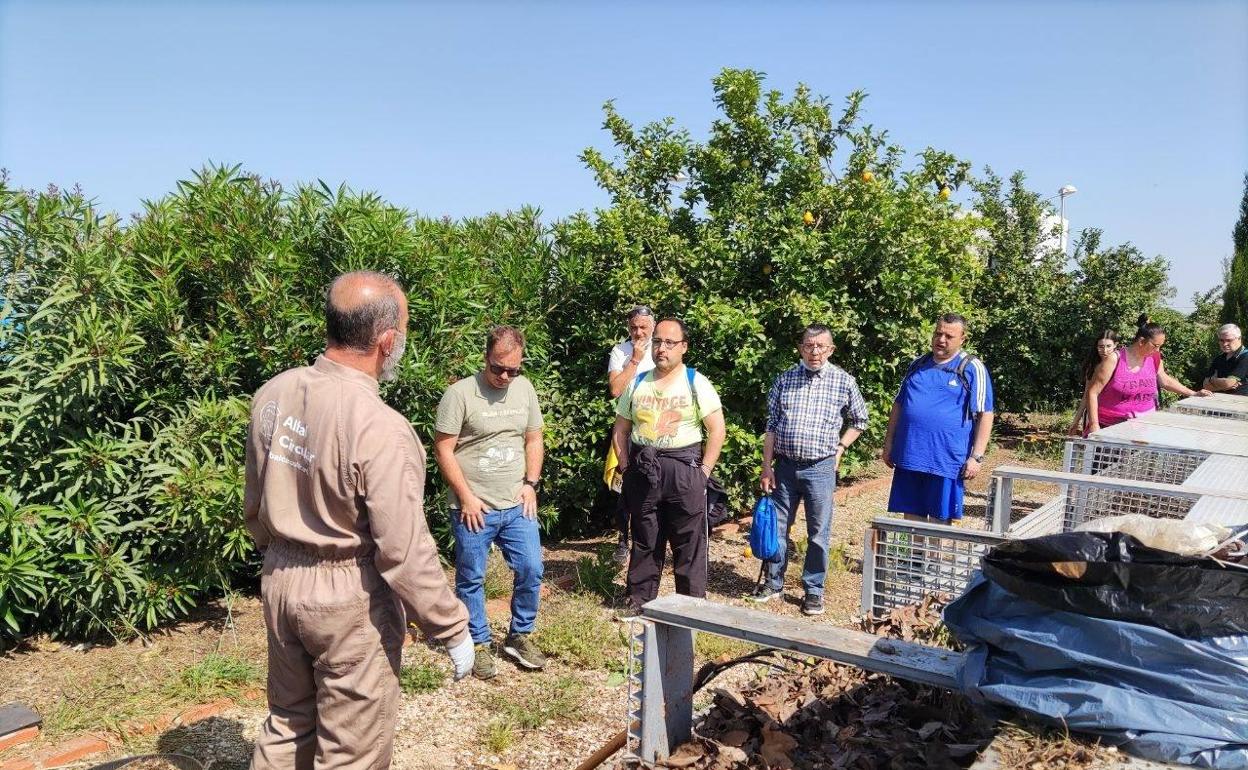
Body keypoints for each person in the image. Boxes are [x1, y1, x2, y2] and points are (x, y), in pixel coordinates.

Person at [244, 271, 472, 770]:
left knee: (287, 723)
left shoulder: (273, 394)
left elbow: (255, 502)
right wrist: (452, 628)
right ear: (386, 341)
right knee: (352, 749)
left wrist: (284, 553)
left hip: (280, 578)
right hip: (348, 597)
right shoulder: (381, 427)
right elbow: (404, 551)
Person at [433, 325, 546, 680]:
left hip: (516, 504)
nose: (504, 376)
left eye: (513, 370)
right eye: (498, 368)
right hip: (473, 507)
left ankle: (519, 635)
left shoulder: (524, 389)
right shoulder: (460, 394)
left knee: (531, 568)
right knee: (471, 578)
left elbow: (533, 438)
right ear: (485, 358)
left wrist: (531, 483)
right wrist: (465, 496)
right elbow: (443, 448)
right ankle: (478, 642)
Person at [612, 317, 726, 614]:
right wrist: (625, 467)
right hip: (643, 469)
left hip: (683, 469)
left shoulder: (695, 381)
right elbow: (620, 429)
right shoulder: (637, 381)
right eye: (658, 342)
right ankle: (639, 600)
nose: (661, 348)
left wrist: (703, 473)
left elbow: (717, 430)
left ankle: (690, 607)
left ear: (683, 347)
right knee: (645, 537)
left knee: (688, 542)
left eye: (669, 343)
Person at [753, 324, 869, 615]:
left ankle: (813, 590)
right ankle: (773, 582)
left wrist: (841, 448)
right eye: (809, 345)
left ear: (830, 349)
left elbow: (860, 420)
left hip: (820, 468)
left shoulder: (844, 381)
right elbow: (771, 427)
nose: (814, 351)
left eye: (821, 346)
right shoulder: (785, 379)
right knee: (778, 528)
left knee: (818, 532)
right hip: (785, 467)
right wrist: (767, 467)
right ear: (800, 347)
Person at [882, 314, 994, 523]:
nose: (941, 339)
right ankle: (915, 556)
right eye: (938, 333)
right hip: (910, 456)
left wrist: (976, 457)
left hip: (945, 460)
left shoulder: (971, 367)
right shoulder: (917, 364)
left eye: (949, 336)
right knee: (911, 517)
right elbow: (899, 404)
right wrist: (889, 444)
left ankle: (934, 557)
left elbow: (985, 414)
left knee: (939, 519)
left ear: (963, 339)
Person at [1086, 315, 1211, 433]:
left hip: (1143, 429)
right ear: (1141, 341)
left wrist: (1194, 393)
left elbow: (1165, 380)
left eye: (1160, 346)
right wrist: (1094, 425)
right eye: (1155, 346)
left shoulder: (1154, 358)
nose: (1158, 350)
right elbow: (1092, 392)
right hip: (1111, 428)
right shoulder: (1114, 359)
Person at [605, 305, 657, 564]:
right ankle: (622, 541)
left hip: (656, 430)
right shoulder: (620, 351)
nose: (638, 332)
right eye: (634, 327)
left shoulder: (662, 348)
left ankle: (649, 541)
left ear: (653, 327)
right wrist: (635, 360)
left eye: (643, 327)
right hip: (627, 427)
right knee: (623, 488)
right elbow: (615, 389)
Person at [1068, 330, 1118, 436]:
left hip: (1116, 415)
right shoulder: (1093, 366)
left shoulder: (1122, 365)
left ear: (1115, 345)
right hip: (1095, 415)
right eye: (1101, 346)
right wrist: (1076, 421)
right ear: (1096, 347)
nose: (1105, 350)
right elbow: (1087, 395)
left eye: (1108, 346)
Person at [1202, 323, 1248, 396]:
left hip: (1241, 402)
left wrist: (1213, 380)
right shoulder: (1219, 358)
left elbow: (1228, 383)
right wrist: (1225, 385)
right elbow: (1205, 385)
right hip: (1219, 401)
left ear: (1239, 338)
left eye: (1229, 340)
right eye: (1221, 340)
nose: (1224, 344)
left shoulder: (1245, 357)